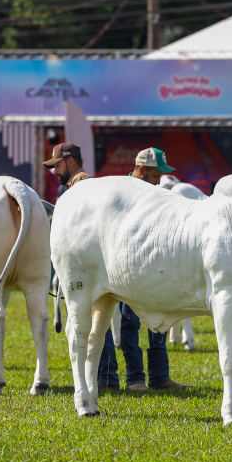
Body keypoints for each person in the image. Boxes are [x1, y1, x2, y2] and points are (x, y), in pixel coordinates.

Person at [46, 144, 188, 392]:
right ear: (142, 170)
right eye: (155, 176)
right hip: (121, 264)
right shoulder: (121, 191)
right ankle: (134, 378)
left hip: (136, 264)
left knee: (138, 323)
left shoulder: (94, 188)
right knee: (126, 323)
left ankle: (137, 377)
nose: (158, 182)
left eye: (56, 165)